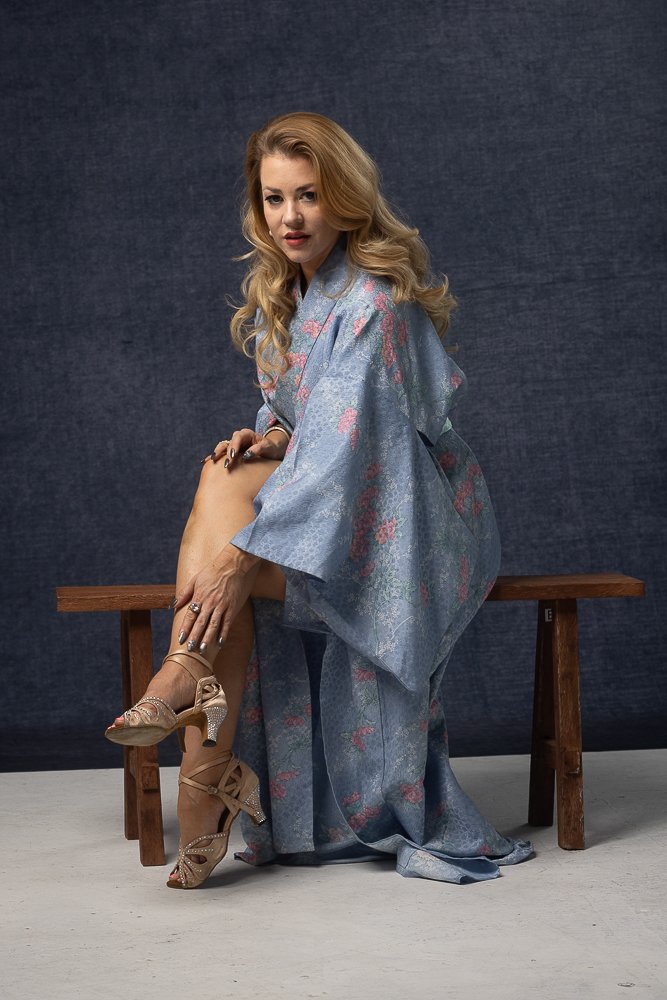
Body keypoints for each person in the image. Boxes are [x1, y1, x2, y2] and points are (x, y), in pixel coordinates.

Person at [105, 112, 534, 887]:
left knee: (225, 543)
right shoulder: (290, 294)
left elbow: (349, 449)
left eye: (308, 195)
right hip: (341, 499)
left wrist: (243, 558)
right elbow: (312, 425)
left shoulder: (373, 303)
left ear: (343, 198)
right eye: (273, 199)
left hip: (417, 514)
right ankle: (198, 736)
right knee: (223, 475)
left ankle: (197, 765)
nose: (290, 217)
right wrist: (272, 437)